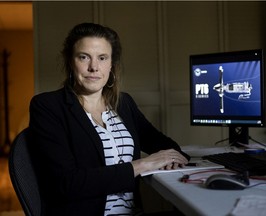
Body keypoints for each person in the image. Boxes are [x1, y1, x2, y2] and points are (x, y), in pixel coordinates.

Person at [28, 22, 190, 216]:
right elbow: (66, 183)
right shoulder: (48, 106)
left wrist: (172, 157)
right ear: (70, 61)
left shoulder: (123, 103)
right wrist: (141, 165)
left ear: (111, 64)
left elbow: (164, 145)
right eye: (83, 57)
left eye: (102, 58)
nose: (94, 67)